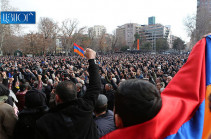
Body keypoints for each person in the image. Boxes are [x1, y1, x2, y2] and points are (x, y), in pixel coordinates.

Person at [35, 48, 101, 139]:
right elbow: (95, 86)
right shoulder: (85, 107)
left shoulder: (45, 122)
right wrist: (91, 60)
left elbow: (95, 86)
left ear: (57, 97)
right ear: (75, 94)